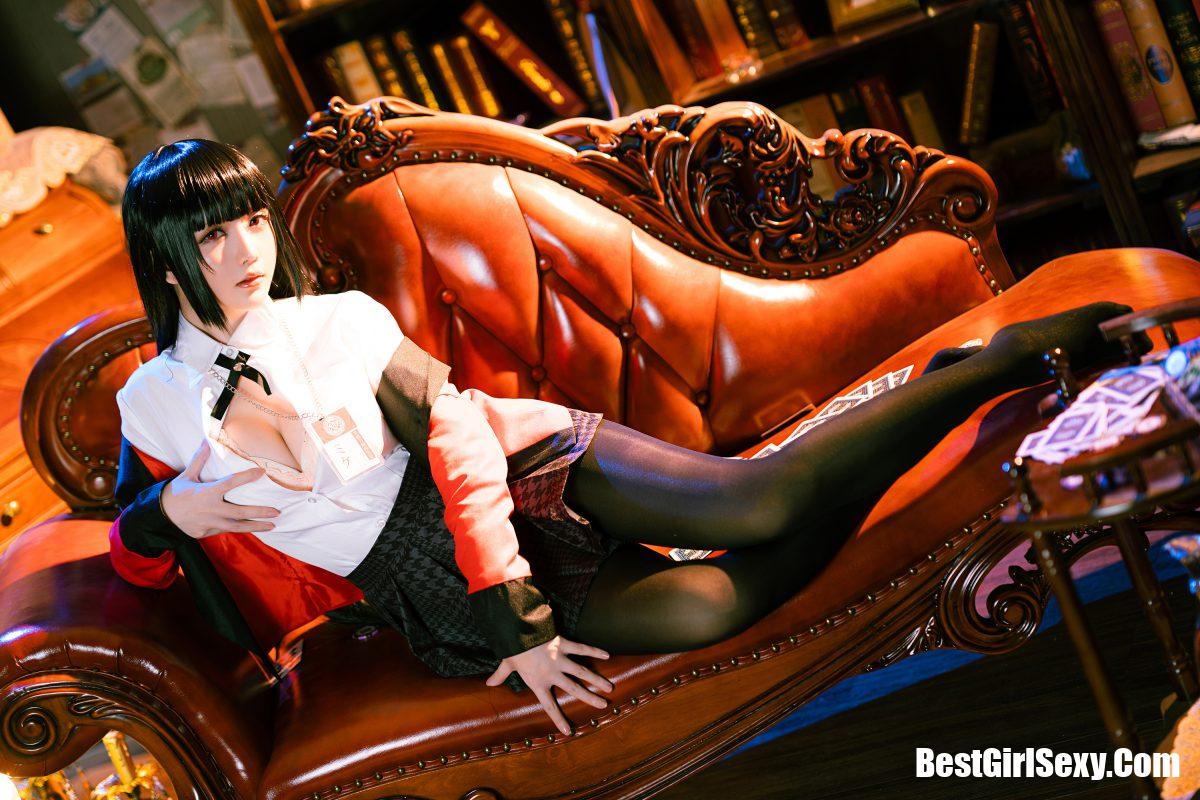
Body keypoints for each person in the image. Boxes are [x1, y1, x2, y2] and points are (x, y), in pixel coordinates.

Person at [112, 139, 1143, 736]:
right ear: (166, 259)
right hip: (416, 575)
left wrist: (515, 611)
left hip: (511, 474)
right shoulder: (151, 401)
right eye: (213, 234)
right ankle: (896, 435)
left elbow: (457, 441)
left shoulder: (338, 321)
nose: (247, 249)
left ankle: (994, 365)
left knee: (758, 501)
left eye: (253, 220)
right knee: (708, 606)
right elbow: (135, 551)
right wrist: (170, 511)